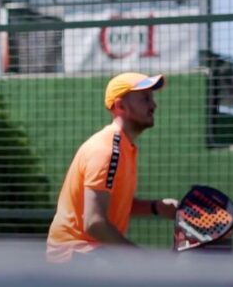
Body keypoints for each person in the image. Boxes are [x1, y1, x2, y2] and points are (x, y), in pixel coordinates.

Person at [46, 72, 179, 263]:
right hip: (75, 256)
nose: (153, 105)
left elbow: (112, 203)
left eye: (151, 98)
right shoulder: (107, 151)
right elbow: (94, 223)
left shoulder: (124, 148)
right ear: (120, 106)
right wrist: (141, 259)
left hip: (89, 254)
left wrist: (156, 207)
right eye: (145, 99)